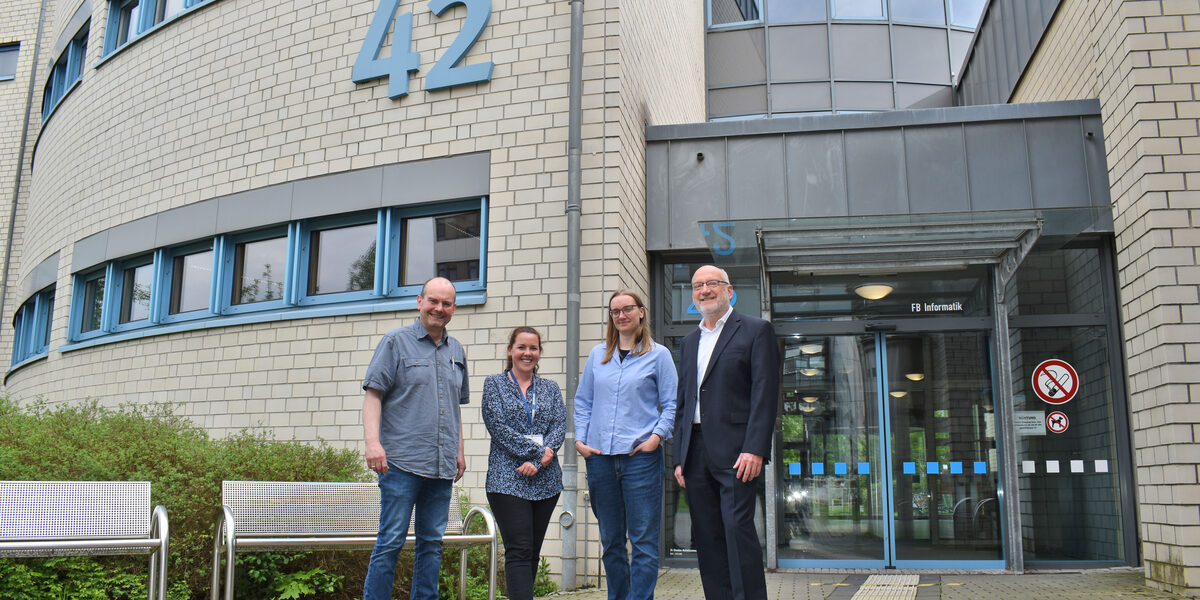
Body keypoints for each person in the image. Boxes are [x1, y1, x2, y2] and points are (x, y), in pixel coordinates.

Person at [673, 266, 780, 600]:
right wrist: (679, 458)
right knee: (706, 536)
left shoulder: (755, 330)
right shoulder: (690, 342)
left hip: (738, 452)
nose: (705, 290)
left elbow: (765, 392)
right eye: (698, 286)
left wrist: (756, 448)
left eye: (712, 284)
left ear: (729, 290)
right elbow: (683, 401)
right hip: (695, 452)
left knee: (737, 531)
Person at [361, 277, 468, 600]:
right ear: (419, 301)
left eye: (446, 303)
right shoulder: (395, 342)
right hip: (401, 463)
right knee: (391, 541)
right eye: (433, 301)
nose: (439, 308)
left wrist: (459, 451)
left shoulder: (457, 350)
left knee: (432, 544)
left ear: (454, 308)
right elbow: (373, 395)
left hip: (441, 467)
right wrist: (372, 443)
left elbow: (454, 407)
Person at [575, 289, 677, 600]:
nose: (621, 315)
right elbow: (583, 402)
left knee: (644, 542)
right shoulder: (597, 356)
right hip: (601, 460)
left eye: (627, 309)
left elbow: (671, 404)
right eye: (615, 311)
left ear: (641, 312)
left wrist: (656, 438)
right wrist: (581, 440)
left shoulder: (659, 355)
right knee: (611, 541)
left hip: (640, 459)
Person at [482, 326, 566, 600]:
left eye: (533, 348)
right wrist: (539, 453)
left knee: (532, 550)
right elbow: (498, 427)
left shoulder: (550, 388)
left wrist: (542, 459)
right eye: (521, 347)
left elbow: (559, 425)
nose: (527, 353)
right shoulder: (494, 383)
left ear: (539, 353)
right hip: (508, 478)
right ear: (510, 350)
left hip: (546, 481)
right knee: (518, 549)